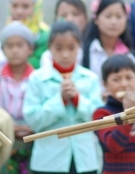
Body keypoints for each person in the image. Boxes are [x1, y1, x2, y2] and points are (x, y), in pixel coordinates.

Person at [23, 21, 102, 174]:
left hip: (84, 162)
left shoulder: (90, 78)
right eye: (58, 48)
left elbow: (99, 119)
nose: (65, 54)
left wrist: (77, 99)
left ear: (79, 47)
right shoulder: (37, 78)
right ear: (50, 48)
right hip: (48, 162)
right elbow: (33, 120)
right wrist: (60, 100)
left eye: (71, 48)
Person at [0, 21, 36, 174]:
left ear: (30, 49)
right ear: (3, 50)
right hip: (3, 138)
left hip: (31, 139)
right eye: (9, 46)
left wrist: (33, 125)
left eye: (20, 45)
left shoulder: (37, 78)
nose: (15, 50)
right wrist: (7, 125)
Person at [81, 0, 135, 91]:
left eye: (119, 17)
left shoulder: (129, 56)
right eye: (108, 16)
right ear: (96, 19)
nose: (114, 22)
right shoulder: (84, 52)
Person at [40, 0, 89, 69]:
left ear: (86, 18)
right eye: (63, 15)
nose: (70, 19)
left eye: (75, 14)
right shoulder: (47, 56)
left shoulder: (94, 48)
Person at [7, 0, 50, 69]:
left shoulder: (45, 35)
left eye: (25, 6)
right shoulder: (7, 32)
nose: (19, 11)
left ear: (36, 7)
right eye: (15, 6)